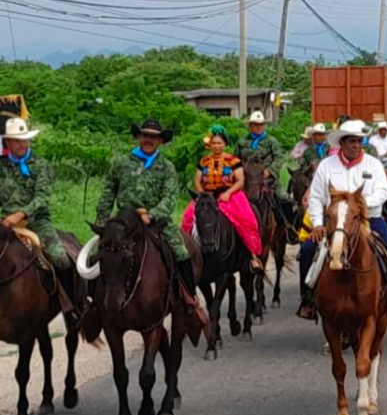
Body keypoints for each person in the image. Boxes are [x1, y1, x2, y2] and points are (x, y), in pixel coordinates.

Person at [296, 120, 387, 325]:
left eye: (360, 141)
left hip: (369, 219)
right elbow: (316, 197)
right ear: (342, 143)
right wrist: (317, 223)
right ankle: (308, 300)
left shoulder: (374, 164)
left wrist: (357, 208)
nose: (357, 145)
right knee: (307, 250)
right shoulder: (326, 165)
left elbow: (382, 192)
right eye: (352, 141)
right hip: (334, 222)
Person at [96, 119, 200, 303]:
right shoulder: (121, 163)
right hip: (124, 221)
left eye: (153, 137)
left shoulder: (167, 167)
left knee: (181, 251)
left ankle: (189, 297)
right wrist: (103, 219)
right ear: (138, 137)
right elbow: (108, 191)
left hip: (156, 222)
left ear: (160, 140)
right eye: (145, 136)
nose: (148, 140)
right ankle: (93, 304)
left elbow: (170, 197)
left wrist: (150, 215)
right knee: (99, 253)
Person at [0, 118, 78, 326]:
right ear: (7, 143)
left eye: (24, 140)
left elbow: (42, 197)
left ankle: (72, 306)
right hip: (5, 223)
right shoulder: (1, 166)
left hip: (36, 222)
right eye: (16, 141)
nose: (21, 144)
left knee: (60, 257)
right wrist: (8, 218)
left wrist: (21, 214)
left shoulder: (42, 165)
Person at [181, 125, 263, 268]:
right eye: (214, 143)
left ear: (225, 144)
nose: (216, 146)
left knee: (246, 219)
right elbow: (197, 180)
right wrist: (202, 195)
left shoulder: (233, 161)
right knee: (187, 218)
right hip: (207, 196)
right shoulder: (204, 161)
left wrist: (228, 193)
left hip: (229, 195)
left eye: (219, 143)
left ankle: (252, 256)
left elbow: (240, 180)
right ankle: (185, 253)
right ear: (210, 145)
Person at [233, 111, 285, 182]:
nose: (259, 127)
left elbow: (279, 158)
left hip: (266, 176)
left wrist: (270, 170)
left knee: (280, 193)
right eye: (256, 125)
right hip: (246, 176)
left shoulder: (271, 141)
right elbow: (235, 159)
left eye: (261, 124)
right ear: (250, 126)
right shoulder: (242, 141)